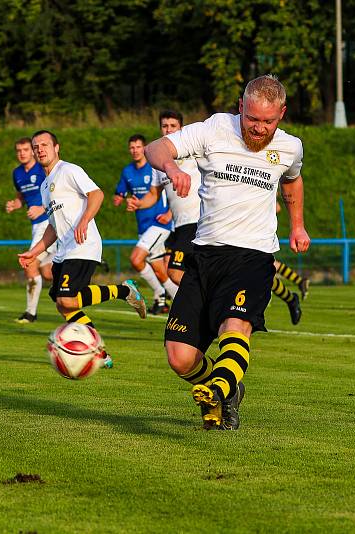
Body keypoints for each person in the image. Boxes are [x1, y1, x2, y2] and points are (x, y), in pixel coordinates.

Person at [145, 74, 310, 430]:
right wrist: (172, 167)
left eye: (268, 121)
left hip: (252, 257)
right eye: (252, 119)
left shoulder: (290, 147)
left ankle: (220, 389)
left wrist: (297, 224)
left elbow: (292, 181)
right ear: (240, 107)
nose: (259, 128)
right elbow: (154, 148)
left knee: (234, 326)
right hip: (204, 255)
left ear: (281, 114)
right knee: (180, 357)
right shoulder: (214, 129)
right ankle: (230, 390)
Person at [18, 130, 148, 368]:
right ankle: (100, 352)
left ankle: (124, 291)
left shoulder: (69, 170)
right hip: (63, 250)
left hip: (83, 245)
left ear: (57, 148)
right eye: (36, 147)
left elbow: (96, 194)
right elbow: (53, 227)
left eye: (44, 145)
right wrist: (34, 252)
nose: (40, 149)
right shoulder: (46, 186)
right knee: (62, 304)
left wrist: (85, 219)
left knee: (68, 300)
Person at [127, 111, 201, 310]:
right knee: (174, 268)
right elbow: (153, 194)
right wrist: (139, 204)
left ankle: (201, 304)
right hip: (179, 226)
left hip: (197, 222)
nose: (168, 129)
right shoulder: (158, 163)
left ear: (181, 129)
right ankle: (198, 305)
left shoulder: (195, 154)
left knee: (175, 272)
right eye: (164, 126)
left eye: (172, 126)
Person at [113, 134, 177, 314]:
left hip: (159, 224)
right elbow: (120, 194)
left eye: (138, 147)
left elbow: (171, 190)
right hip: (143, 226)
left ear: (144, 148)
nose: (135, 150)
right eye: (131, 147)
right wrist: (122, 199)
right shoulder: (127, 171)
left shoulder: (155, 166)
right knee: (159, 271)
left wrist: (169, 213)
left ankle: (161, 295)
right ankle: (166, 299)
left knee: (136, 258)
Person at [5, 137, 54, 323]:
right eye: (18, 150)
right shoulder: (17, 173)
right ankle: (80, 278)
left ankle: (30, 314)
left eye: (26, 149)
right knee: (48, 272)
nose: (22, 153)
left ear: (33, 151)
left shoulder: (43, 169)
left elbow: (56, 192)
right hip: (38, 227)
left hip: (49, 222)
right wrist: (15, 204)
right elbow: (23, 196)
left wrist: (42, 208)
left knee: (29, 263)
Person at [270, 201, 310, 324]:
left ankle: (292, 298)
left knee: (266, 271)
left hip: (258, 234)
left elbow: (277, 207)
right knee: (269, 269)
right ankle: (296, 289)